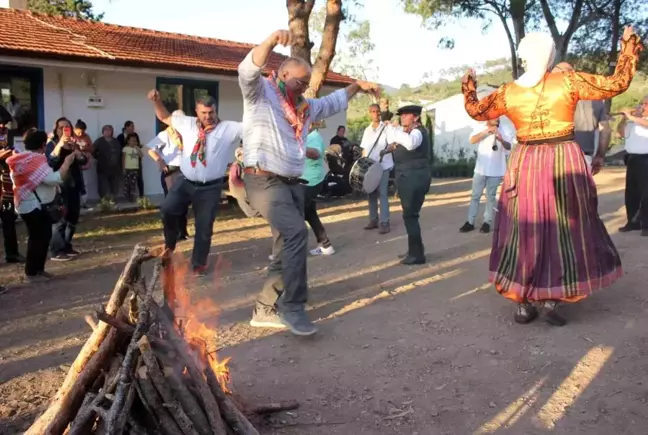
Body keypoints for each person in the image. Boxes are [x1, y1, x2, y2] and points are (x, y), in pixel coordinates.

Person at [460, 27, 642, 326]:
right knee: (563, 227)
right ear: (551, 56)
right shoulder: (568, 81)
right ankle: (551, 296)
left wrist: (469, 85)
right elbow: (617, 84)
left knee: (522, 228)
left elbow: (476, 110)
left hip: (526, 161)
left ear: (523, 56)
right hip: (563, 160)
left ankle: (523, 301)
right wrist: (628, 48)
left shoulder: (508, 91)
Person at [238, 29, 380, 335]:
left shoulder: (305, 106)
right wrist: (271, 41)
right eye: (300, 81)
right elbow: (246, 69)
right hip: (263, 180)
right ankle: (292, 306)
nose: (304, 86)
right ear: (283, 72)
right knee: (296, 235)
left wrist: (357, 86)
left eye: (307, 83)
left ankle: (264, 308)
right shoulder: (260, 93)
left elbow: (331, 103)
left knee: (286, 244)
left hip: (291, 183)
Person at [148, 90, 242, 276]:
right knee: (167, 208)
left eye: (211, 112)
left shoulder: (228, 128)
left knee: (204, 226)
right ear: (196, 111)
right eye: (203, 113)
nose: (208, 117)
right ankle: (170, 246)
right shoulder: (187, 123)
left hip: (210, 187)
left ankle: (198, 264)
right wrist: (157, 101)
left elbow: (254, 128)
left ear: (216, 111)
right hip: (185, 181)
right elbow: (164, 116)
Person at [7, 129, 78, 282]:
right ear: (42, 144)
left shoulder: (20, 159)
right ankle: (31, 273)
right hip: (34, 206)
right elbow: (53, 179)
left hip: (28, 205)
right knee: (37, 238)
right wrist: (67, 162)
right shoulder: (35, 160)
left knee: (43, 237)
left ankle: (39, 270)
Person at [379, 105, 432, 265]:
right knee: (409, 215)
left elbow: (410, 144)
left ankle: (417, 255)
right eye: (400, 115)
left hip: (414, 177)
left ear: (415, 118)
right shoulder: (406, 133)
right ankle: (414, 251)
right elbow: (396, 142)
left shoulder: (417, 132)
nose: (401, 117)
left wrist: (393, 129)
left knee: (410, 216)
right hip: (407, 177)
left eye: (406, 115)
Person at [552, 63, 612, 174]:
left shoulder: (550, 97)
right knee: (582, 191)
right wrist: (600, 155)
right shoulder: (595, 98)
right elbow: (606, 131)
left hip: (556, 158)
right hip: (585, 157)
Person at [459, 118, 513, 234]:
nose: (497, 119)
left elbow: (509, 147)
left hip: (496, 170)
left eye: (498, 117)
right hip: (480, 170)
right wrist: (485, 132)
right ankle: (470, 222)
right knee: (475, 196)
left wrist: (501, 140)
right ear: (488, 118)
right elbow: (472, 140)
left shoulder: (505, 129)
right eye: (494, 117)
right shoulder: (480, 127)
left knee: (490, 197)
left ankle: (487, 222)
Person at [46, 117, 88, 261]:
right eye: (61, 128)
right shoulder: (51, 144)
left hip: (74, 184)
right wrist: (60, 146)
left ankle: (66, 245)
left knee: (73, 217)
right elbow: (50, 162)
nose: (64, 130)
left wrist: (79, 153)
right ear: (56, 130)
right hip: (59, 186)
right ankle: (56, 250)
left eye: (67, 127)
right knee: (60, 218)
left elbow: (84, 161)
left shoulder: (73, 144)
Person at [146, 110, 189, 240]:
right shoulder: (165, 134)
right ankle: (172, 233)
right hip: (170, 171)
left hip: (185, 171)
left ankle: (182, 232)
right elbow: (150, 149)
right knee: (172, 203)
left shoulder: (187, 134)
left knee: (184, 203)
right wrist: (160, 161)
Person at [617, 95, 648, 235]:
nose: (642, 106)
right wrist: (624, 119)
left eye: (646, 104)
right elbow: (620, 134)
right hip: (632, 159)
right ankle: (633, 221)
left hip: (645, 159)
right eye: (642, 103)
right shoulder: (633, 122)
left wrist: (631, 116)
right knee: (631, 192)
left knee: (646, 193)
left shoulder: (642, 121)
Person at [302, 122, 334, 256]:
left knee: (294, 214)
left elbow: (315, 154)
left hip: (309, 182)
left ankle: (288, 251)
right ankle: (326, 245)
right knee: (309, 213)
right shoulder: (305, 137)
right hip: (306, 180)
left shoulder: (314, 136)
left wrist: (297, 147)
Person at [360, 104, 393, 234]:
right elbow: (364, 149)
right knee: (371, 194)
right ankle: (373, 220)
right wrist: (363, 164)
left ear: (380, 113)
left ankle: (384, 222)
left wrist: (385, 151)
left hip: (384, 165)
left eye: (378, 112)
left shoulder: (386, 128)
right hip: (371, 167)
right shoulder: (367, 130)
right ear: (369, 113)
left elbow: (392, 145)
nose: (376, 114)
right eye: (373, 112)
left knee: (383, 194)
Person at [0, 106, 23, 264]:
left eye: (5, 123)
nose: (3, 126)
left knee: (9, 220)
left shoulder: (5, 136)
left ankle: (12, 254)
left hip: (6, 184)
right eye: (0, 123)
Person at [92, 125, 121, 200]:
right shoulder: (99, 141)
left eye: (109, 130)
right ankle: (103, 200)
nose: (108, 132)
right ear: (103, 132)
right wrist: (97, 157)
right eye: (106, 130)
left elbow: (120, 153)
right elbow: (92, 151)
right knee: (102, 185)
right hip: (102, 167)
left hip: (115, 168)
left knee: (114, 185)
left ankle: (112, 199)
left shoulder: (116, 141)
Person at [117, 121, 144, 197]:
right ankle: (128, 195)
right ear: (126, 127)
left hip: (136, 161)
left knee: (139, 178)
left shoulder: (135, 135)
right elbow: (119, 149)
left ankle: (141, 196)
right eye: (132, 126)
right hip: (127, 163)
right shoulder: (120, 136)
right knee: (127, 181)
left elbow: (138, 145)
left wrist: (137, 146)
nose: (133, 128)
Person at [74, 119, 93, 208]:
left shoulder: (87, 137)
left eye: (83, 132)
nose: (81, 134)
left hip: (85, 163)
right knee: (75, 182)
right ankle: (76, 202)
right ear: (75, 129)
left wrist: (85, 148)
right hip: (75, 163)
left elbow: (91, 149)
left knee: (84, 182)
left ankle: (84, 202)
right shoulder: (71, 136)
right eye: (79, 132)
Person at [122, 133, 143, 202]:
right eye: (132, 141)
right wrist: (123, 168)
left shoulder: (136, 148)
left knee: (133, 183)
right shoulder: (125, 149)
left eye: (135, 141)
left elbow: (141, 156)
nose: (134, 142)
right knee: (127, 183)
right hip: (128, 169)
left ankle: (132, 197)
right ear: (128, 141)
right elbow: (123, 159)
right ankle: (126, 196)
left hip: (135, 169)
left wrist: (137, 148)